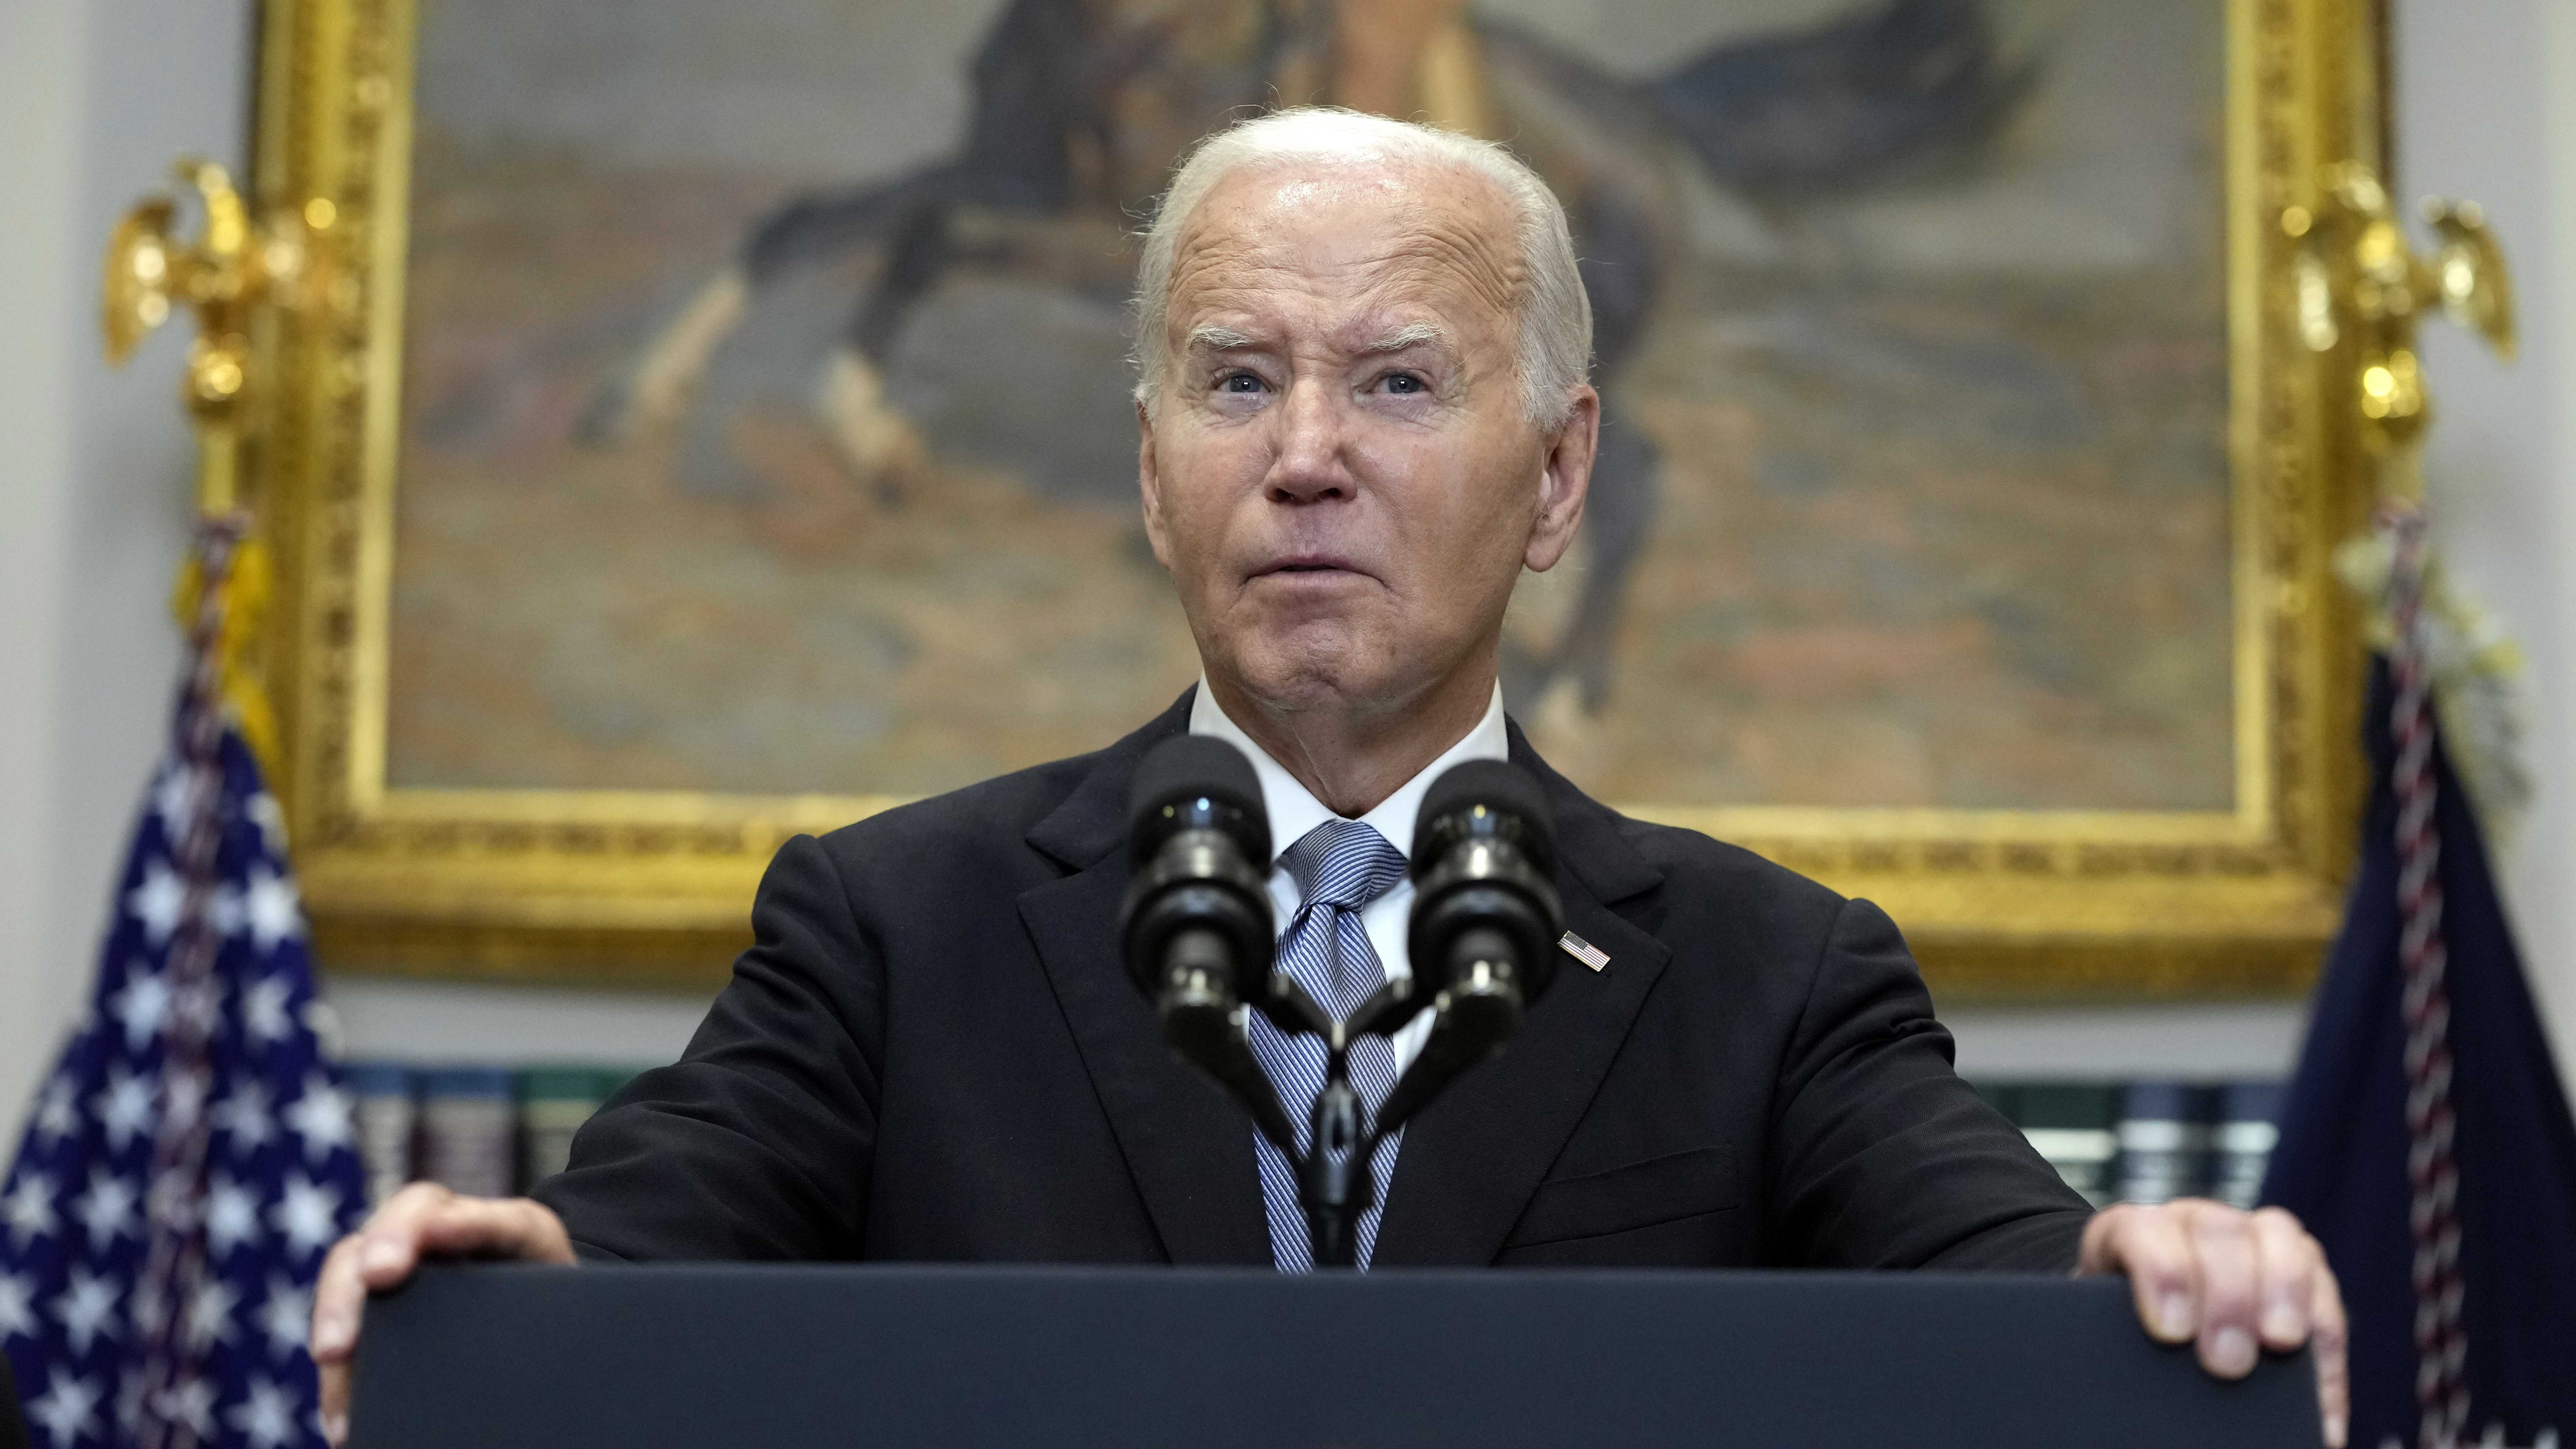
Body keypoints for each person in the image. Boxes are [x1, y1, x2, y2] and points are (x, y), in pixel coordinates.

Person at [310, 108, 2348, 1445]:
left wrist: (2147, 1268)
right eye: (1234, 379)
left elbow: (1992, 1265)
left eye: (1396, 382)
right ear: (1147, 466)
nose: (1305, 454)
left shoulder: (1770, 975)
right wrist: (524, 1278)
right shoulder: (895, 927)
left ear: (1558, 477)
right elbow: (663, 1221)